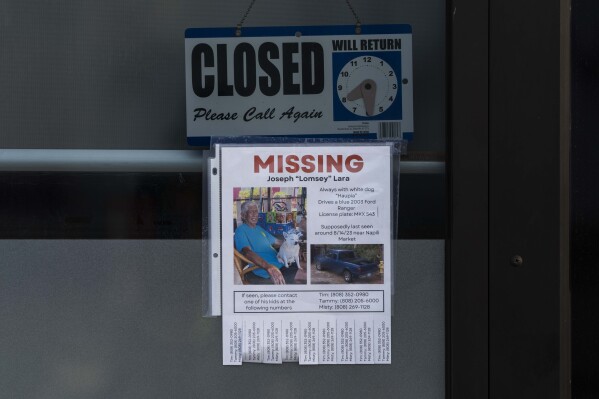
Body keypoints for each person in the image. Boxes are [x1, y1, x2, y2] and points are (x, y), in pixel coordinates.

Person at [234, 201, 298, 284]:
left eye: (256, 211)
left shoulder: (258, 228)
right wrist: (268, 267)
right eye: (251, 212)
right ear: (243, 215)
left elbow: (277, 241)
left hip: (279, 262)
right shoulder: (241, 230)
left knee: (296, 265)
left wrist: (293, 244)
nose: (254, 214)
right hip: (264, 269)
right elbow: (247, 253)